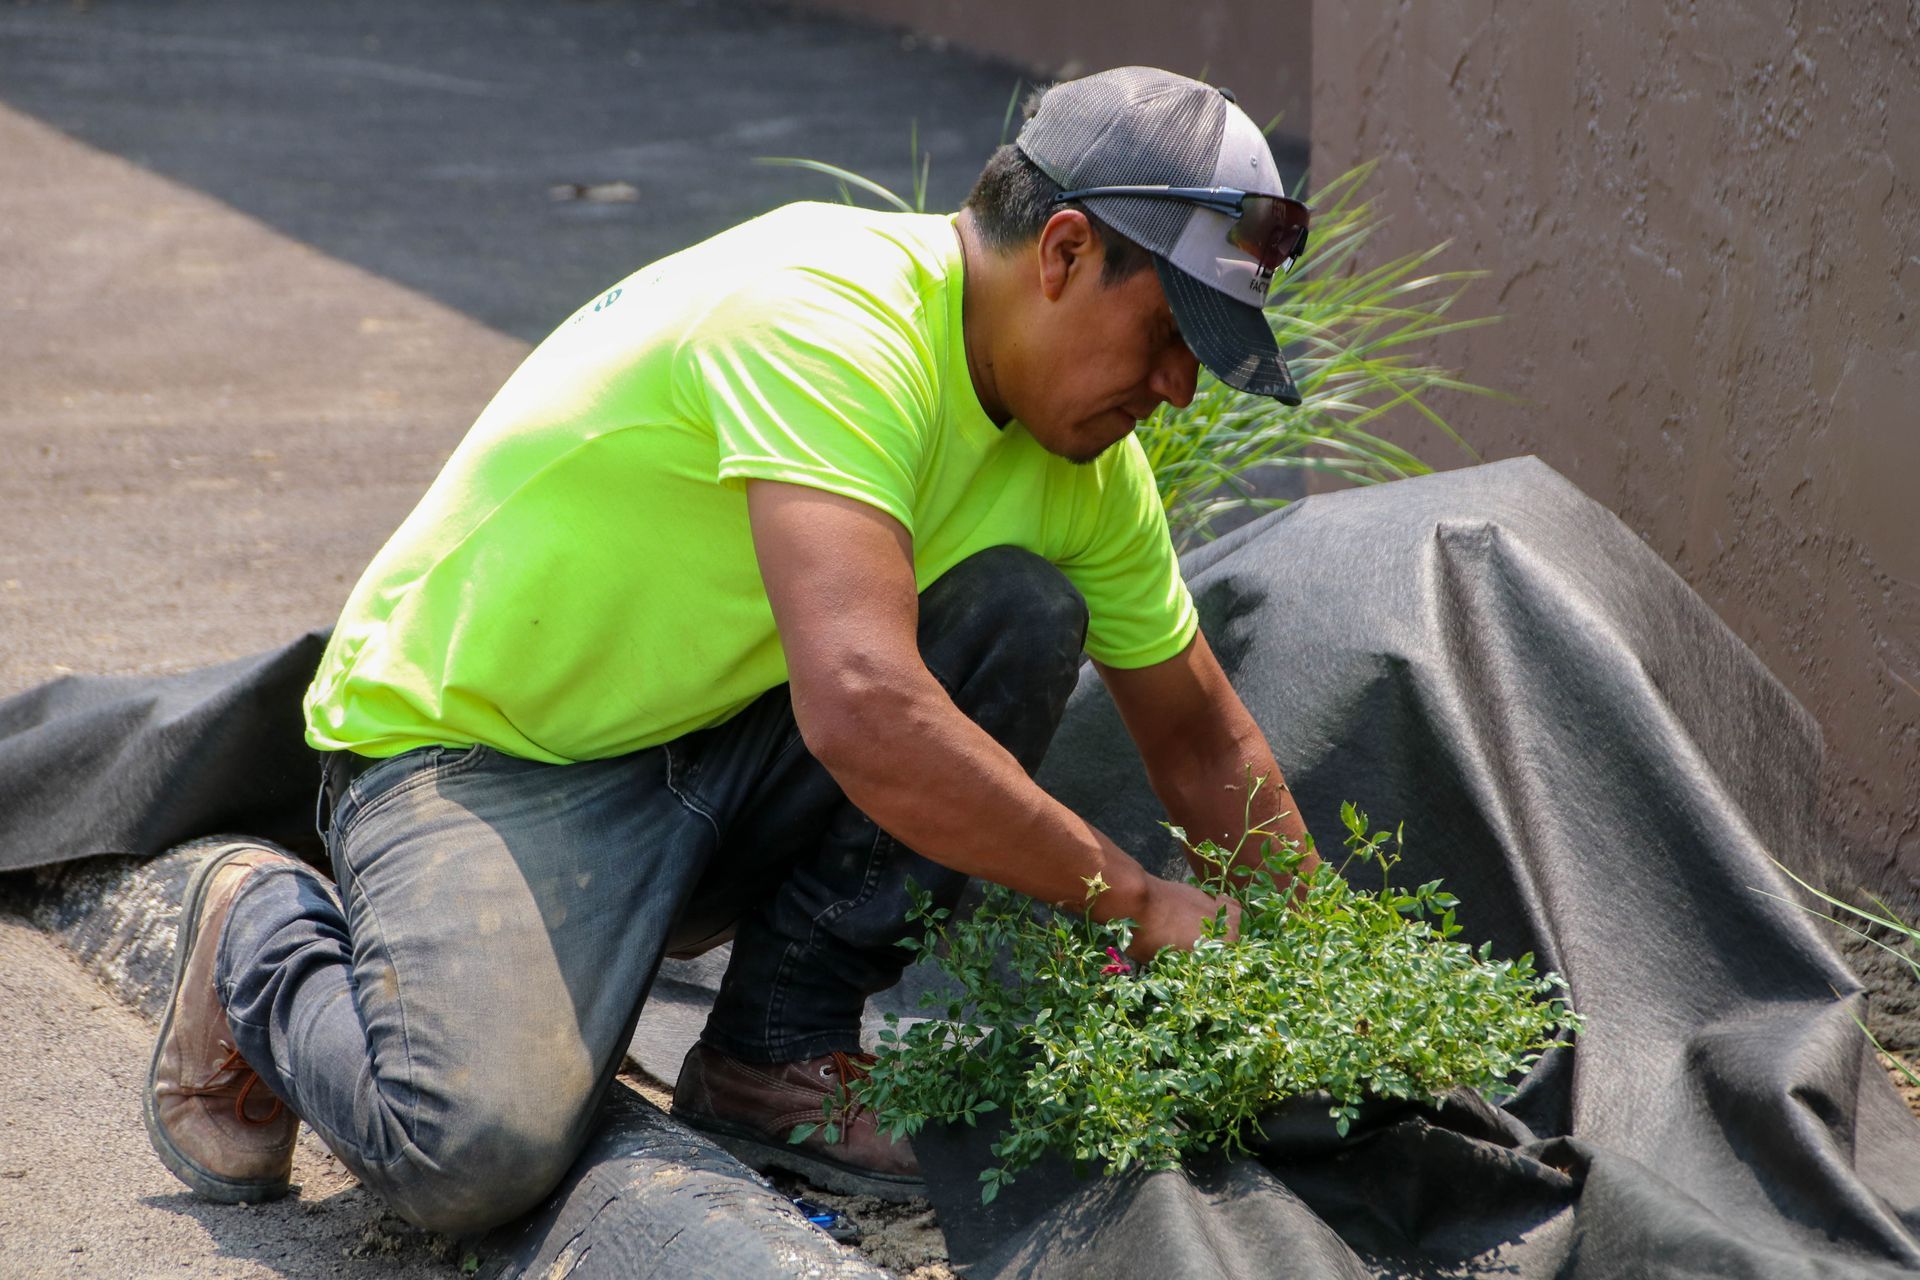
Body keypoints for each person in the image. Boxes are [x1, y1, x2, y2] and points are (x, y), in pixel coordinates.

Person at [143, 66, 1319, 1234]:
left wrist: (1320, 983)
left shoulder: (1085, 466)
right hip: (482, 756)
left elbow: (1201, 736)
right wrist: (1137, 900)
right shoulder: (828, 315)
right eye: (1169, 331)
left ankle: (773, 1052)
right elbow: (862, 708)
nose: (1178, 387)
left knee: (1018, 606)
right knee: (472, 1152)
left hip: (714, 746)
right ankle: (262, 930)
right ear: (1062, 252)